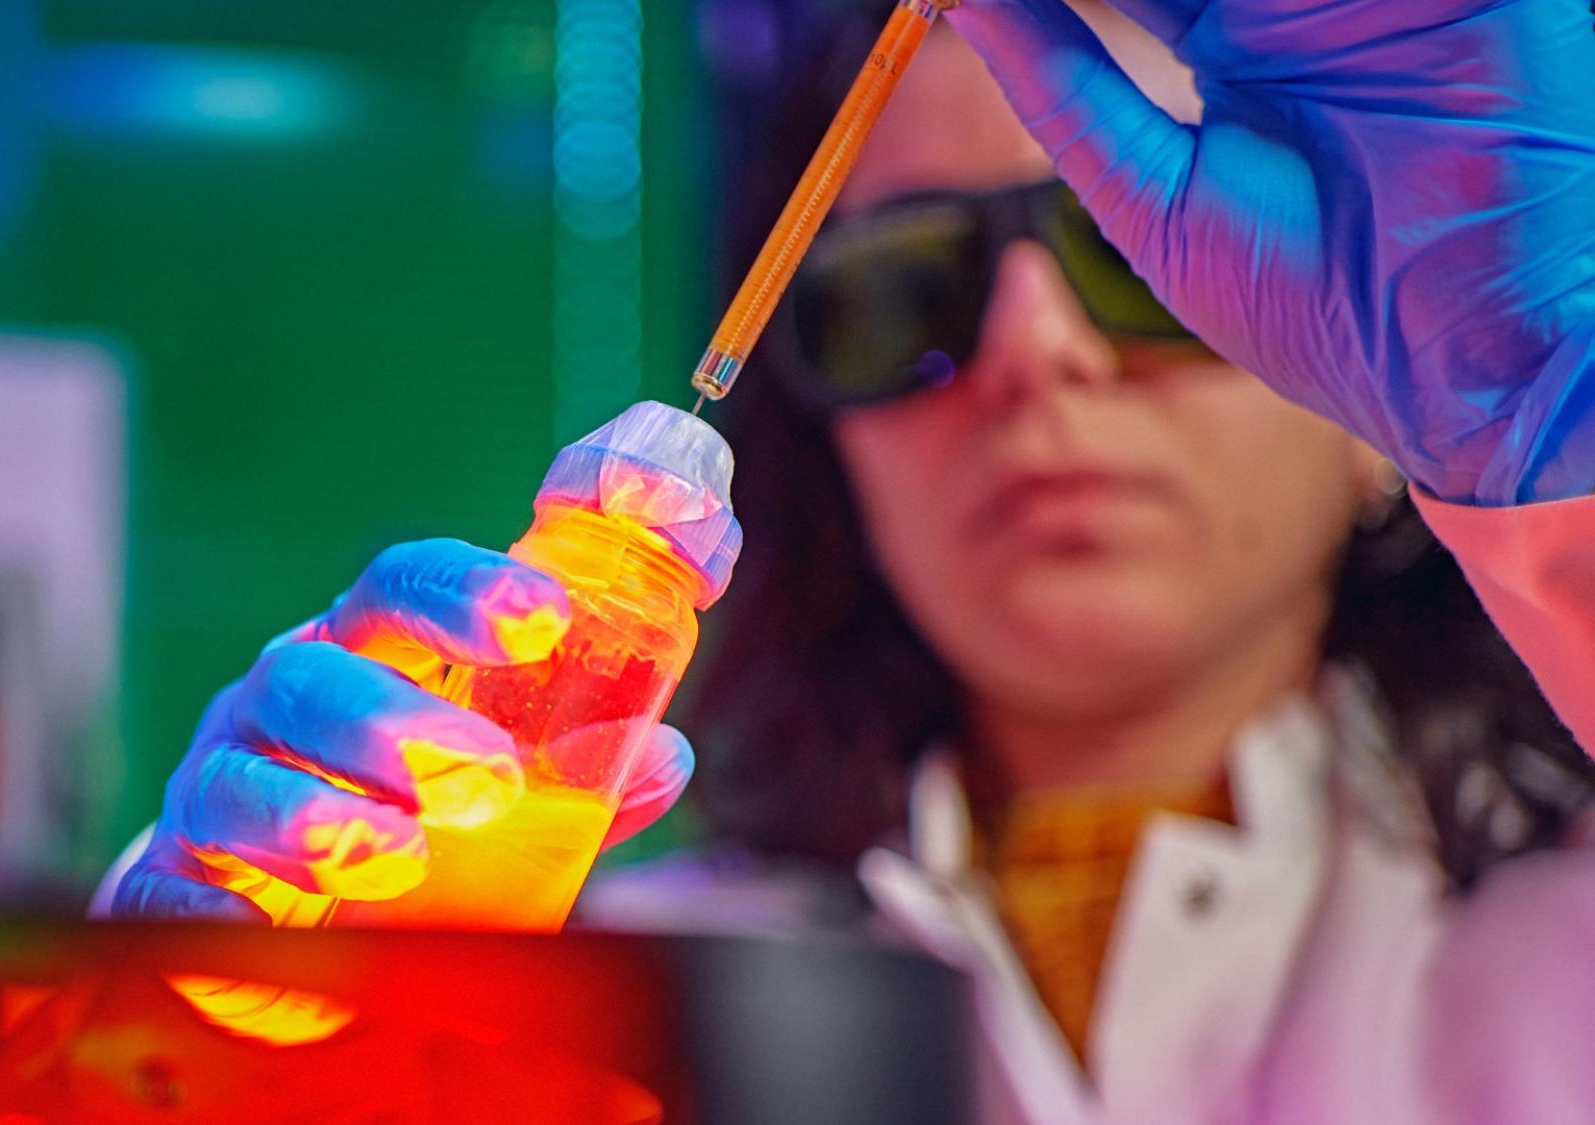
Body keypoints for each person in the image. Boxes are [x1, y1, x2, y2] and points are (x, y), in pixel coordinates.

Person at [100, 1, 1595, 1120]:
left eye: (1145, 263)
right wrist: (203, 1051)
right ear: (828, 440)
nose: (1033, 358)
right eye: (905, 290)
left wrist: (1556, 430)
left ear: (1369, 421)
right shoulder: (570, 993)